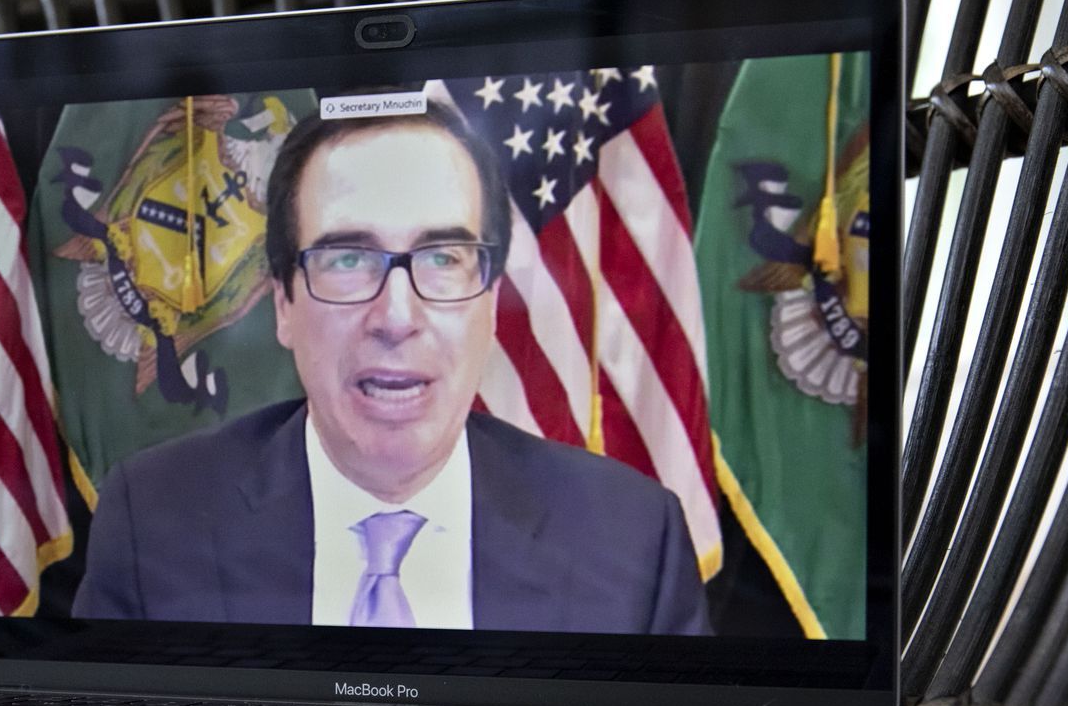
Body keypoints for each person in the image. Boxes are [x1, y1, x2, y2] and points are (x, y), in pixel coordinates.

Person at [72, 103, 710, 635]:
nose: (397, 317)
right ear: (284, 304)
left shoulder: (632, 542)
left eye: (443, 257)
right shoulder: (154, 524)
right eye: (348, 260)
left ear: (490, 303)